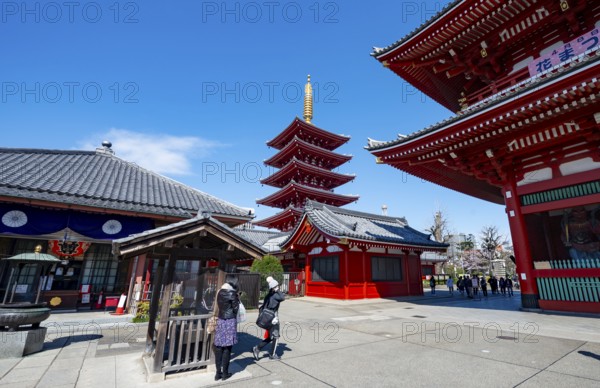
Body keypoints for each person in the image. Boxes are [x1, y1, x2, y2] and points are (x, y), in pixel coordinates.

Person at [213, 274, 240, 381]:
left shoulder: (220, 292)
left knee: (219, 347)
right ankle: (225, 374)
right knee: (227, 348)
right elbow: (235, 309)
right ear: (233, 282)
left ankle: (217, 373)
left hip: (220, 320)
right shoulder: (232, 294)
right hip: (229, 321)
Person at [253, 276, 285, 360]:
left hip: (268, 317)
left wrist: (274, 287)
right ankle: (271, 354)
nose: (278, 287)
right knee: (276, 336)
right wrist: (277, 289)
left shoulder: (269, 295)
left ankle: (258, 348)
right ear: (274, 287)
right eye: (277, 286)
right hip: (273, 318)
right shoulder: (275, 295)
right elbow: (282, 297)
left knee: (272, 336)